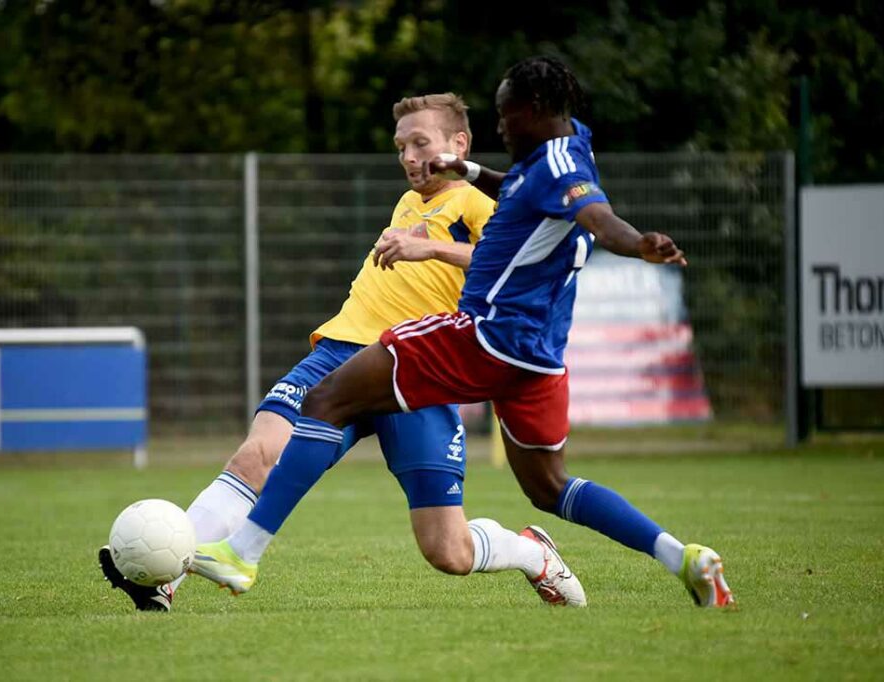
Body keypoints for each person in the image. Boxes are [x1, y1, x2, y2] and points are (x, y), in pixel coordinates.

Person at [190, 56, 735, 609]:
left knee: (326, 398)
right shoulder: (569, 146)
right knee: (550, 487)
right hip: (540, 360)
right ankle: (680, 556)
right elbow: (533, 189)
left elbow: (597, 217)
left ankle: (243, 553)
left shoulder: (561, 175)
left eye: (507, 114)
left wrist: (638, 243)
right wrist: (470, 171)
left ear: (537, 110)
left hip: (482, 338)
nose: (501, 126)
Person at [100, 91, 586, 612]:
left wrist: (433, 248)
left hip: (420, 374)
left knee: (447, 550)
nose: (408, 157)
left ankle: (534, 554)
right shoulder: (409, 202)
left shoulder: (483, 202)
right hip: (342, 352)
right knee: (257, 453)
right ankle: (166, 576)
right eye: (401, 146)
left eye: (420, 143)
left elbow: (515, 265)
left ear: (459, 144)